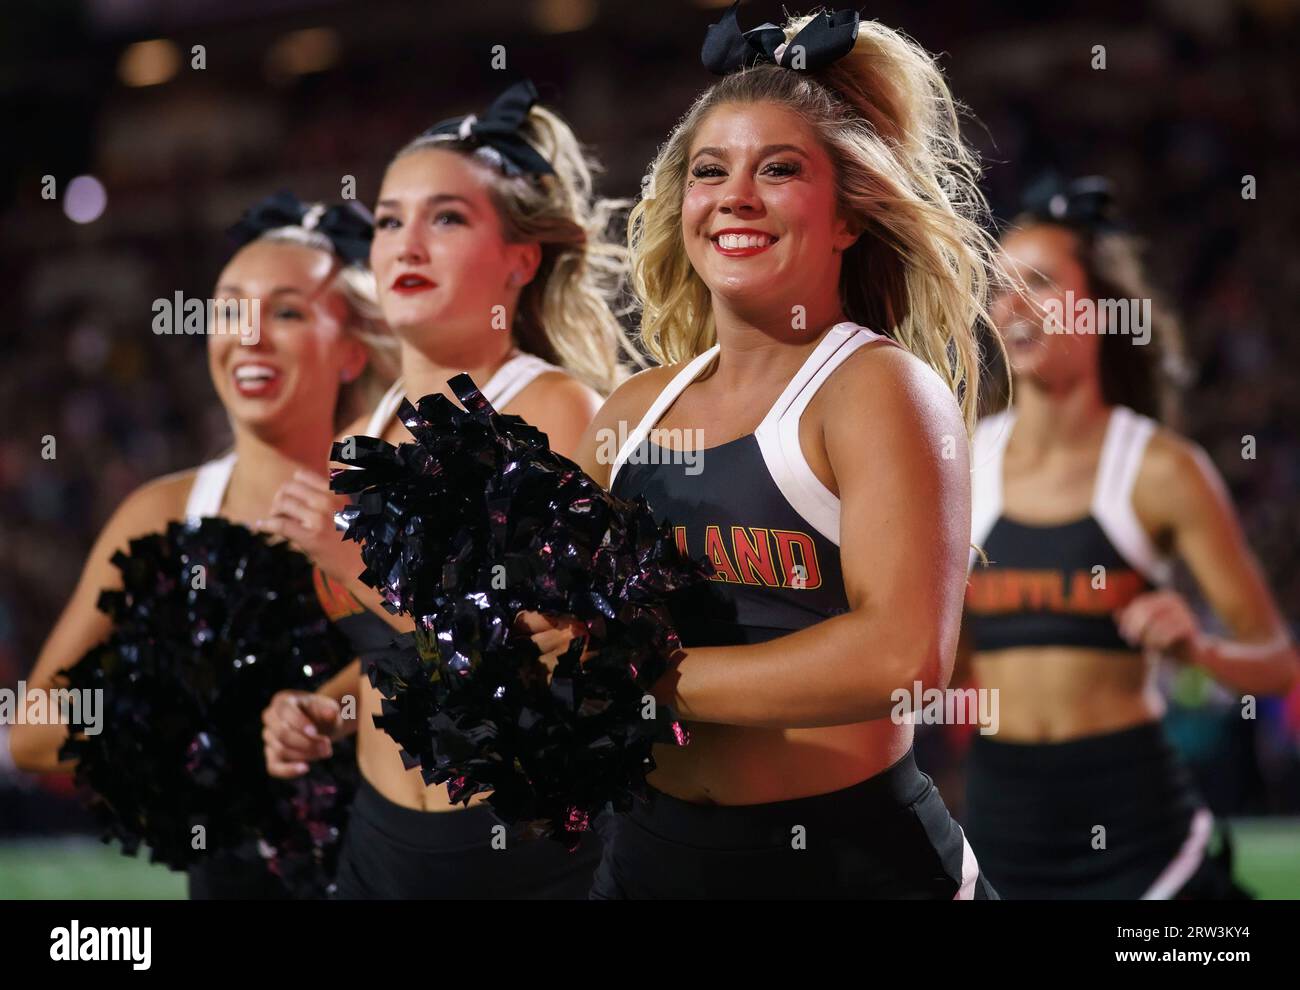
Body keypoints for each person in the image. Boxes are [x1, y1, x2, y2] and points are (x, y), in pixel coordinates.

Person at [537, 6, 1005, 898]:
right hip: (648, 861)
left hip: (847, 865)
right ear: (683, 208)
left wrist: (650, 675)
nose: (736, 196)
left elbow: (901, 658)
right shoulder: (634, 411)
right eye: (710, 171)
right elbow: (566, 628)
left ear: (847, 218)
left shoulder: (877, 389)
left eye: (780, 170)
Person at [260, 80, 637, 899]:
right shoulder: (362, 435)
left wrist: (346, 553)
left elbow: (538, 643)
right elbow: (400, 657)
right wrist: (326, 708)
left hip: (524, 848)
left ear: (521, 258)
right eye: (390, 220)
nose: (407, 243)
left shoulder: (556, 408)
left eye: (447, 218)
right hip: (377, 847)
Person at [9, 192, 396, 898]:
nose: (249, 335)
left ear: (351, 349)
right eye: (229, 309)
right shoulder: (163, 514)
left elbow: (453, 667)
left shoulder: (392, 501)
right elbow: (31, 730)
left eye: (286, 310)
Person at [959, 175, 1298, 898]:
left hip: (1139, 835)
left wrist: (1199, 651)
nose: (1013, 306)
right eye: (1001, 287)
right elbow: (941, 670)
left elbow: (1277, 663)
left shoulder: (1161, 470)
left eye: (1041, 283)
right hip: (999, 828)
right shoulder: (963, 460)